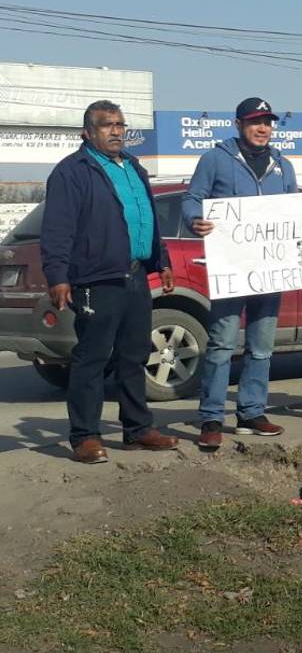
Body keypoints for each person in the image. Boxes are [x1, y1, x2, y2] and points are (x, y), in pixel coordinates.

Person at [184, 97, 302, 450]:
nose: (263, 128)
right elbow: (191, 199)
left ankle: (250, 412)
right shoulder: (215, 159)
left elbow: (295, 210)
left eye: (267, 122)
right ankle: (212, 418)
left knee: (262, 347)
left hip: (271, 271)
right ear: (238, 125)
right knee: (221, 345)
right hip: (232, 270)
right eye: (255, 122)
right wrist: (194, 220)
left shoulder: (283, 164)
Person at [41, 99, 179, 463]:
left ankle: (137, 429)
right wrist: (58, 276)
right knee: (93, 358)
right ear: (87, 133)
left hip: (134, 275)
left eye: (120, 124)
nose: (116, 131)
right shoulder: (72, 172)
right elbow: (56, 230)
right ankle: (85, 435)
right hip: (94, 279)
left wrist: (159, 260)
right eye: (107, 125)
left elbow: (145, 216)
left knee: (134, 356)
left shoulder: (134, 167)